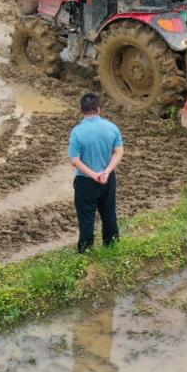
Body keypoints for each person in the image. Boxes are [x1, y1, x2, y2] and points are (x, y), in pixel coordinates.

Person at [68, 93, 124, 252]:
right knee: (109, 213)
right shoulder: (112, 127)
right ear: (98, 109)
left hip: (86, 181)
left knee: (86, 218)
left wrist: (93, 175)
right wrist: (106, 172)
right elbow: (119, 152)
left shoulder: (77, 132)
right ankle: (112, 246)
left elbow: (75, 160)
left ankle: (86, 251)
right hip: (108, 179)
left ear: (81, 110)